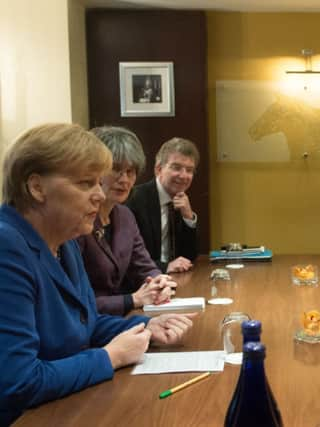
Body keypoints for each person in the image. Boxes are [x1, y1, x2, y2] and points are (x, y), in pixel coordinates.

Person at [0, 123, 196, 424]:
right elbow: (19, 383)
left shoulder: (63, 241)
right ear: (37, 187)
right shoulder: (7, 246)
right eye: (85, 184)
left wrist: (148, 327)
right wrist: (111, 357)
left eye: (97, 182)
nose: (98, 195)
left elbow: (86, 324)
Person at [77, 126, 176, 316]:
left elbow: (144, 267)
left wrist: (159, 282)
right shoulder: (77, 220)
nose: (125, 179)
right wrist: (132, 299)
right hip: (91, 323)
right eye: (116, 169)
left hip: (119, 320)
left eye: (130, 171)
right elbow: (76, 302)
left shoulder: (125, 216)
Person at [127, 137, 200, 273]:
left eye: (189, 170)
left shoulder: (180, 200)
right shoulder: (134, 199)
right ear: (158, 169)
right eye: (176, 167)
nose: (184, 176)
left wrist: (188, 218)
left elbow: (190, 256)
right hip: (142, 282)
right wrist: (165, 267)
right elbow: (128, 258)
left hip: (174, 279)